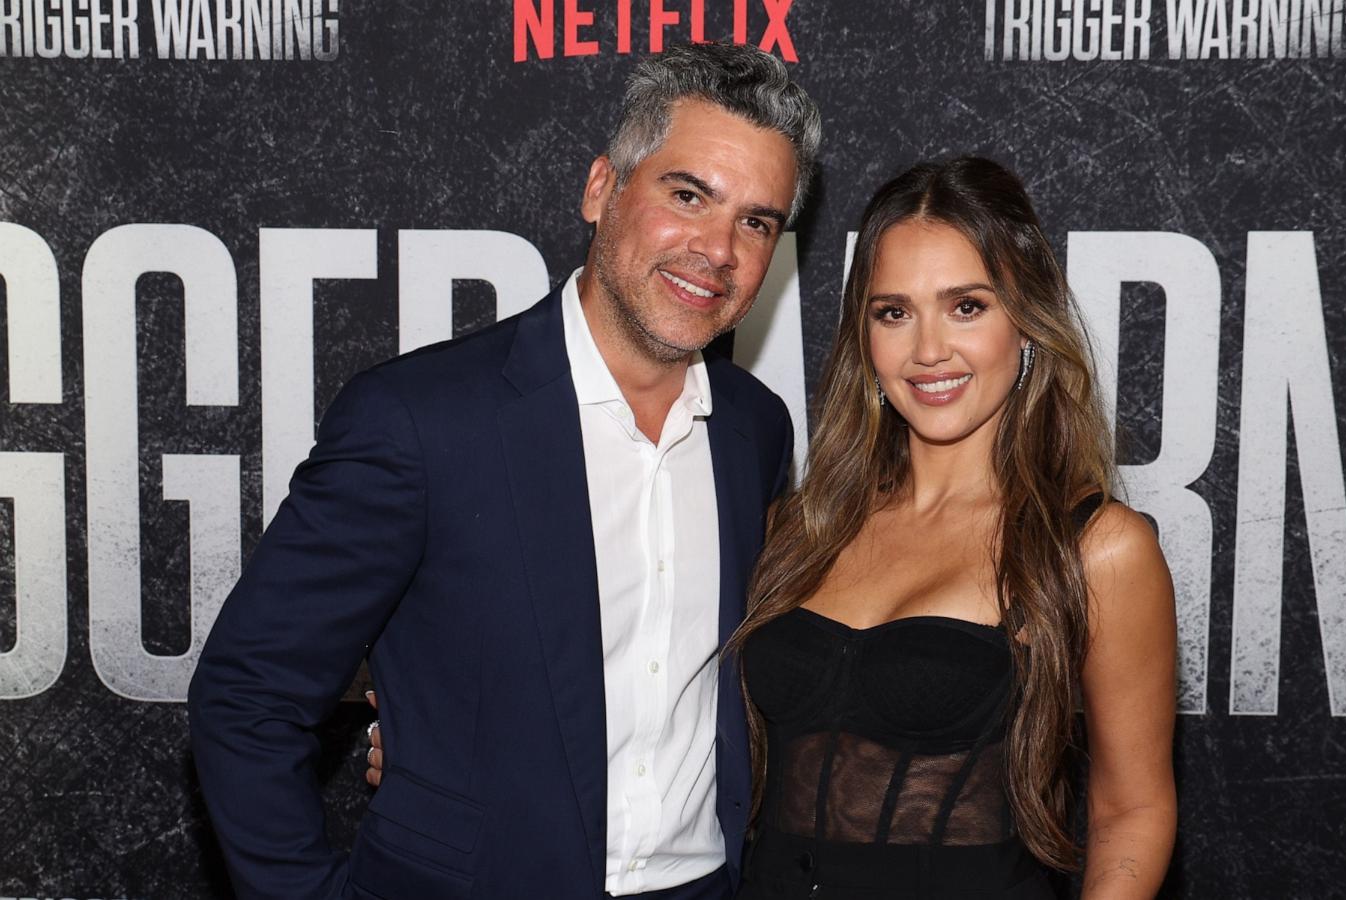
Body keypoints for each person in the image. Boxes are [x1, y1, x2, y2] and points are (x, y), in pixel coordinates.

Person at [370, 157, 1179, 897]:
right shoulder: (799, 529)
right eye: (893, 312)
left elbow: (1130, 813)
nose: (930, 349)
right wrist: (439, 740)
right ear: (864, 339)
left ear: (1027, 322)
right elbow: (639, 670)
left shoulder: (1097, 548)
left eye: (967, 306)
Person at [187, 43, 822, 900]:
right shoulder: (421, 419)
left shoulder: (754, 431)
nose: (717, 248)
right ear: (601, 188)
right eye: (687, 194)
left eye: (757, 221)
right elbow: (248, 695)